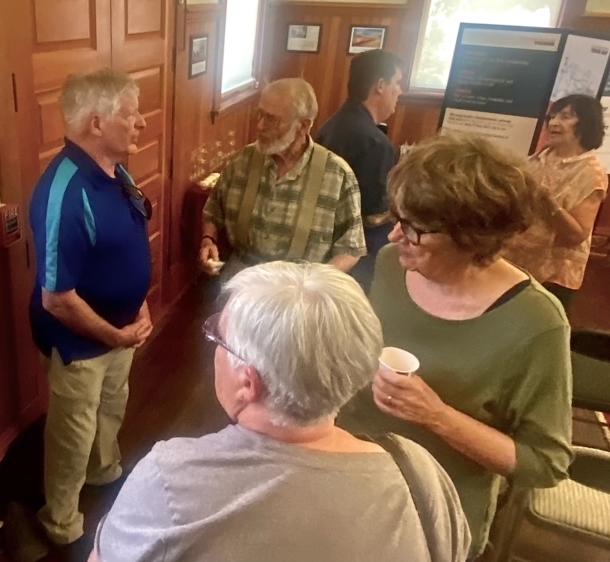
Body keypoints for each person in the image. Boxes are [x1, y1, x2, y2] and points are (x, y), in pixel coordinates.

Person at [90, 262, 471, 562]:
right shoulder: (418, 474)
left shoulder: (171, 481)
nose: (214, 348)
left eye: (219, 338)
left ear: (248, 382)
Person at [337, 134, 573, 558]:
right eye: (397, 218)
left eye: (415, 228)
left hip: (436, 516)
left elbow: (544, 462)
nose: (394, 236)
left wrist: (437, 416)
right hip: (354, 482)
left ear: (472, 237)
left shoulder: (537, 323)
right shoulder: (392, 266)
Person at [28, 68, 153, 553]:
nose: (141, 122)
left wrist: (140, 306)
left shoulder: (117, 171)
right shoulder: (63, 190)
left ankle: (104, 473)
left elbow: (128, 245)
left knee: (111, 408)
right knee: (72, 433)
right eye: (131, 114)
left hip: (122, 330)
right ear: (96, 123)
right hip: (80, 342)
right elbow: (56, 298)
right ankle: (61, 523)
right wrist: (114, 335)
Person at [199, 78, 366, 278]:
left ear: (303, 126)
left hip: (300, 281)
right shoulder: (243, 161)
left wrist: (317, 282)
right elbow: (213, 210)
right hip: (243, 275)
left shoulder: (338, 176)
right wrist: (208, 240)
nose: (260, 125)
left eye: (272, 119)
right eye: (259, 114)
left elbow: (351, 248)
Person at [503, 94, 608, 311]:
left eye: (565, 117)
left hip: (552, 275)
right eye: (553, 116)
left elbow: (575, 236)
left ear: (586, 124)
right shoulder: (537, 159)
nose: (554, 122)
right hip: (515, 261)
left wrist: (548, 204)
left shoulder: (591, 173)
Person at [315, 49, 403, 287]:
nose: (400, 91)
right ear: (381, 86)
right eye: (397, 83)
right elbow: (374, 216)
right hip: (355, 258)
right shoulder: (377, 144)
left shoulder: (330, 126)